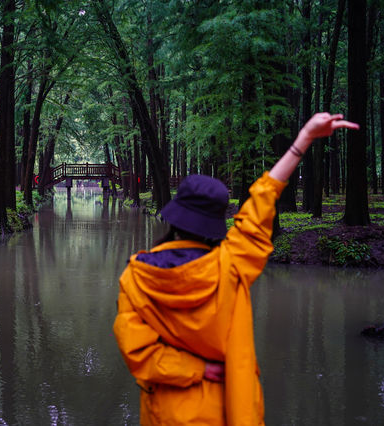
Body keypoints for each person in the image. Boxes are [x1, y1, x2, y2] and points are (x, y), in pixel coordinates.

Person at [113, 113, 359, 425]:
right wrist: (303, 140)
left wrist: (196, 370)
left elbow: (138, 353)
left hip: (167, 414)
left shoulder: (135, 277)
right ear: (215, 224)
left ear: (174, 219)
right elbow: (260, 205)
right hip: (228, 412)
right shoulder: (232, 264)